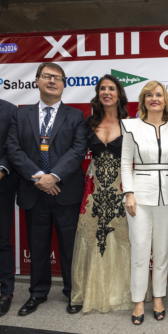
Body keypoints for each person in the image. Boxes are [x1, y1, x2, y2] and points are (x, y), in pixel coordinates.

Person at [6, 62, 87, 315]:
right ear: (37, 81)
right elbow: (13, 149)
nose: (52, 81)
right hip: (34, 192)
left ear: (64, 84)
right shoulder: (20, 114)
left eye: (58, 78)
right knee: (38, 246)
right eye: (47, 77)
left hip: (66, 192)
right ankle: (37, 293)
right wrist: (40, 177)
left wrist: (54, 176)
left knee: (69, 247)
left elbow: (77, 150)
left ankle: (73, 293)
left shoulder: (76, 116)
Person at [71, 74, 135, 313]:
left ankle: (121, 293)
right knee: (92, 236)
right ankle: (87, 293)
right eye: (102, 89)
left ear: (119, 94)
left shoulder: (132, 123)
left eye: (111, 88)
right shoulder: (87, 124)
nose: (106, 92)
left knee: (121, 237)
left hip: (122, 187)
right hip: (94, 189)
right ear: (98, 94)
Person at [122, 81, 168, 325]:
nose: (154, 98)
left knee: (162, 252)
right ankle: (138, 301)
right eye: (149, 95)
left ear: (166, 100)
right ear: (143, 99)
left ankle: (158, 298)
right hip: (139, 196)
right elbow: (126, 162)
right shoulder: (130, 126)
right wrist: (128, 192)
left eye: (159, 94)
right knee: (139, 250)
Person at [0, 96, 17, 316]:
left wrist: (1, 169)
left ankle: (6, 292)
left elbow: (15, 145)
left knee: (0, 240)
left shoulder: (9, 109)